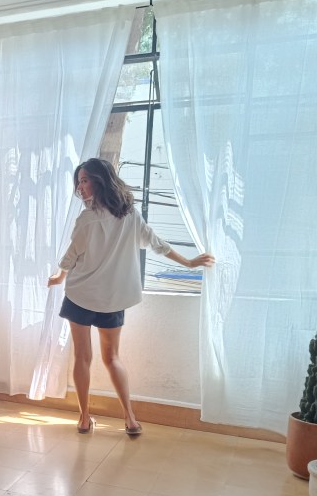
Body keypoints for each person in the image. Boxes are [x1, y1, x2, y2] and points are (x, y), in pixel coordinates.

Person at [47, 158, 214, 436]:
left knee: (82, 358)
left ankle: (85, 419)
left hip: (80, 295)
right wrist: (188, 262)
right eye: (79, 182)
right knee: (112, 358)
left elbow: (71, 255)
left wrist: (60, 276)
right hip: (113, 299)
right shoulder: (130, 215)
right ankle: (130, 419)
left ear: (100, 181)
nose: (80, 187)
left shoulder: (87, 219)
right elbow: (156, 243)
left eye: (84, 180)